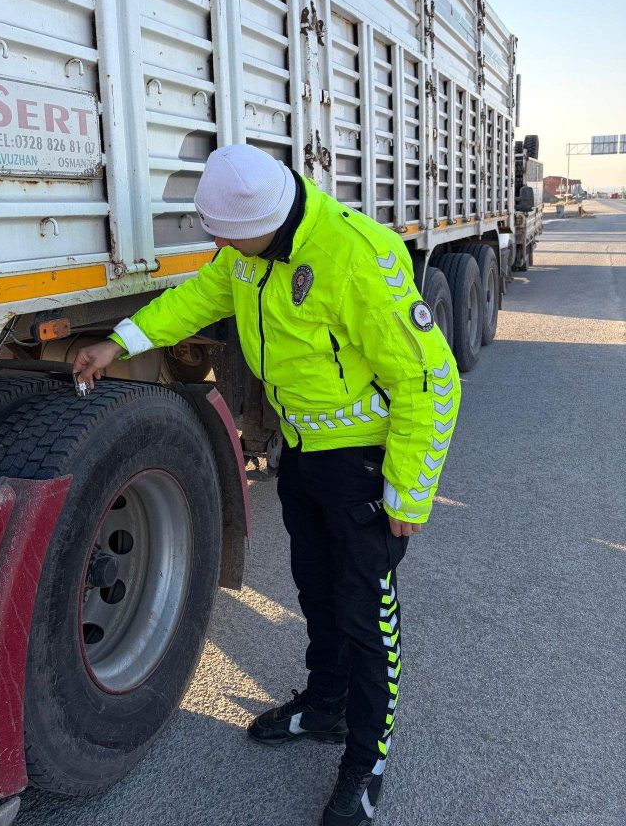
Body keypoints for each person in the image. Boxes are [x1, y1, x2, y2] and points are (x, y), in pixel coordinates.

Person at [74, 144, 461, 825]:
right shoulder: (247, 252)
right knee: (317, 590)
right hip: (304, 454)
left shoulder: (356, 257)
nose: (217, 243)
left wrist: (410, 491)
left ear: (269, 213)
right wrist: (121, 340)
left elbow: (429, 380)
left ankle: (367, 760)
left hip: (365, 464)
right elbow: (197, 298)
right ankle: (326, 708)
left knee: (368, 616)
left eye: (224, 232)